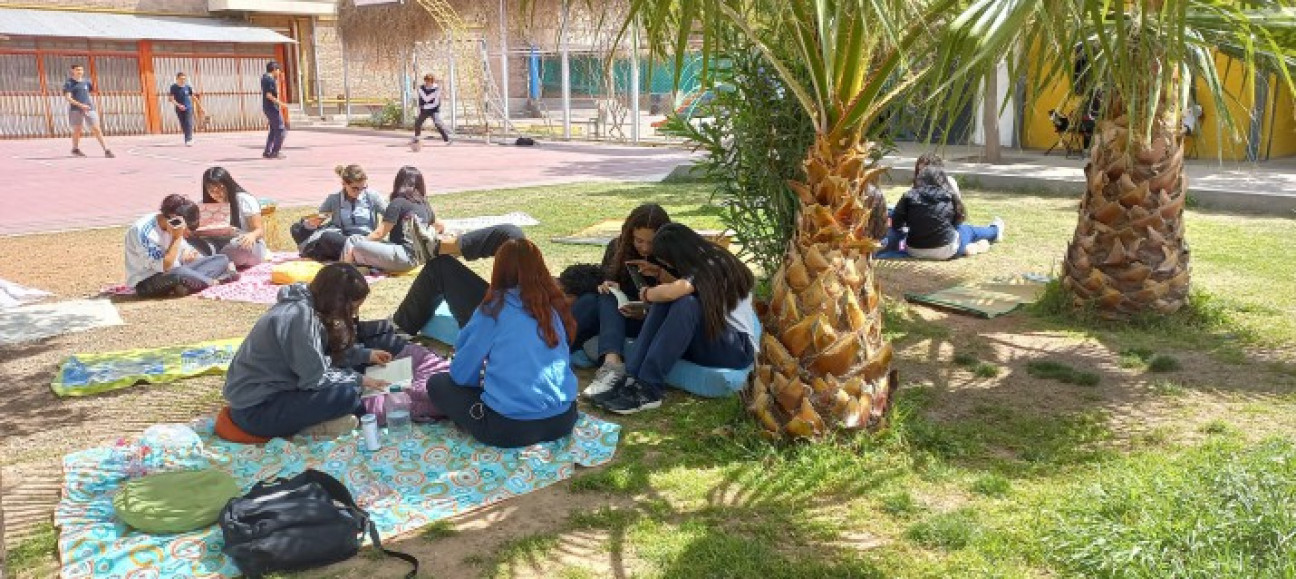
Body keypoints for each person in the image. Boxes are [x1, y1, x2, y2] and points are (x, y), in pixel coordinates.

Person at [592, 224, 760, 415]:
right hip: (711, 341)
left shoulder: (713, 262)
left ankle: (650, 388)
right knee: (667, 301)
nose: (670, 266)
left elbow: (675, 291)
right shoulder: (703, 264)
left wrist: (647, 293)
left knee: (685, 303)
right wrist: (659, 276)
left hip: (734, 350)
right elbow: (685, 289)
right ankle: (632, 375)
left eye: (669, 262)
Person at [425, 239, 578, 448]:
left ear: (499, 269)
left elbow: (462, 376)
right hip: (564, 419)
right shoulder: (551, 307)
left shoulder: (494, 310)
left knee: (437, 383)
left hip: (511, 428)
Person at [223, 264, 404, 439]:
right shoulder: (299, 318)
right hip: (257, 411)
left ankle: (318, 422)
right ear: (337, 302)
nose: (354, 315)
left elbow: (325, 354)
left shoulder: (308, 308)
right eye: (352, 309)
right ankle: (310, 428)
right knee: (347, 395)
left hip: (279, 393)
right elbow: (314, 378)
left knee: (355, 378)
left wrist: (366, 355)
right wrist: (361, 380)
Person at [570, 203, 672, 398]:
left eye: (651, 243)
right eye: (639, 241)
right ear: (629, 234)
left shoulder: (672, 254)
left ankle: (610, 365)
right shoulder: (617, 247)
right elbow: (605, 278)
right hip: (616, 316)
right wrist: (605, 284)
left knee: (600, 302)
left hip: (651, 320)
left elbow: (680, 302)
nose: (645, 248)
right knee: (593, 299)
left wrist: (645, 310)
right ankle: (547, 349)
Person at [390, 223, 527, 336]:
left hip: (505, 323)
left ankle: (402, 326)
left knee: (439, 267)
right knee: (512, 236)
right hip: (516, 309)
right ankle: (437, 247)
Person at [124, 194, 237, 298]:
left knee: (221, 259)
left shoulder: (174, 226)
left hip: (177, 272)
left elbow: (183, 252)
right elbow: (164, 267)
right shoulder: (142, 232)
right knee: (179, 273)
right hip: (147, 281)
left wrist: (190, 254)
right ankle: (212, 282)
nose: (188, 235)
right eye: (187, 230)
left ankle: (186, 286)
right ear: (175, 220)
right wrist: (176, 237)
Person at [889, 165, 1004, 260]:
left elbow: (896, 223)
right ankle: (995, 230)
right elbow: (958, 222)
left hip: (914, 250)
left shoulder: (908, 195)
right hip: (947, 250)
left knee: (962, 231)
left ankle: (972, 246)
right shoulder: (949, 195)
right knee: (968, 230)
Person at [339, 166, 434, 274]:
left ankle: (343, 271)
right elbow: (439, 226)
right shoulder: (424, 203)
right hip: (421, 256)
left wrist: (354, 250)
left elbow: (379, 234)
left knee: (358, 246)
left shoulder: (398, 202)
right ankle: (350, 267)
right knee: (354, 239)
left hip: (406, 257)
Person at [291, 165, 388, 261]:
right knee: (297, 228)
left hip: (365, 240)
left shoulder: (372, 196)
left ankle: (329, 254)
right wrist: (311, 223)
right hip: (341, 239)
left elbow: (391, 214)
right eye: (355, 188)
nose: (359, 192)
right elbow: (319, 218)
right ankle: (346, 255)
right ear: (344, 184)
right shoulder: (334, 199)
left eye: (362, 188)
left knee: (327, 238)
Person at [196, 167, 267, 268]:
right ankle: (218, 262)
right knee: (193, 245)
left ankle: (213, 261)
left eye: (221, 188)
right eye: (212, 190)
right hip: (216, 244)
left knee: (239, 246)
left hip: (244, 244)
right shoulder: (203, 205)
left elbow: (259, 230)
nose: (217, 194)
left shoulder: (244, 200)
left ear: (228, 185)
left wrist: (251, 235)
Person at [63, 64, 114, 158]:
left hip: (89, 109)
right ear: (72, 71)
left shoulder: (86, 82)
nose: (80, 72)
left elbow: (89, 92)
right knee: (77, 129)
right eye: (78, 70)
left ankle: (107, 150)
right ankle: (75, 149)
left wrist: (87, 104)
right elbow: (68, 98)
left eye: (81, 70)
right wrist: (81, 105)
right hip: (76, 110)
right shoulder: (69, 83)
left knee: (96, 128)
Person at [412, 73, 452, 147]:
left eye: (429, 81)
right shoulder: (421, 88)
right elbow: (425, 98)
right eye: (426, 81)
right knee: (418, 123)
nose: (427, 83)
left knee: (437, 123)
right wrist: (425, 104)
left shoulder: (437, 89)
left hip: (434, 110)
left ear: (432, 81)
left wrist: (426, 105)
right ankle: (417, 138)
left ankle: (447, 139)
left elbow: (435, 103)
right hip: (424, 110)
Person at [168, 72, 202, 146]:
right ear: (177, 79)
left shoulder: (188, 87)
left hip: (188, 107)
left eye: (184, 79)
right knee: (183, 124)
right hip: (179, 108)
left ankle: (189, 139)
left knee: (188, 123)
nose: (183, 80)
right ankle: (187, 137)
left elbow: (193, 97)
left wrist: (200, 107)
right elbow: (171, 99)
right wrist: (179, 105)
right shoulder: (173, 87)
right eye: (181, 79)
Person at [261, 61, 287, 160]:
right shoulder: (269, 80)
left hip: (267, 107)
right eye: (278, 70)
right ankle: (275, 151)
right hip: (272, 107)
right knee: (281, 130)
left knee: (273, 130)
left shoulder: (264, 78)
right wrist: (281, 104)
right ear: (274, 70)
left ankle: (268, 152)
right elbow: (269, 95)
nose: (279, 73)